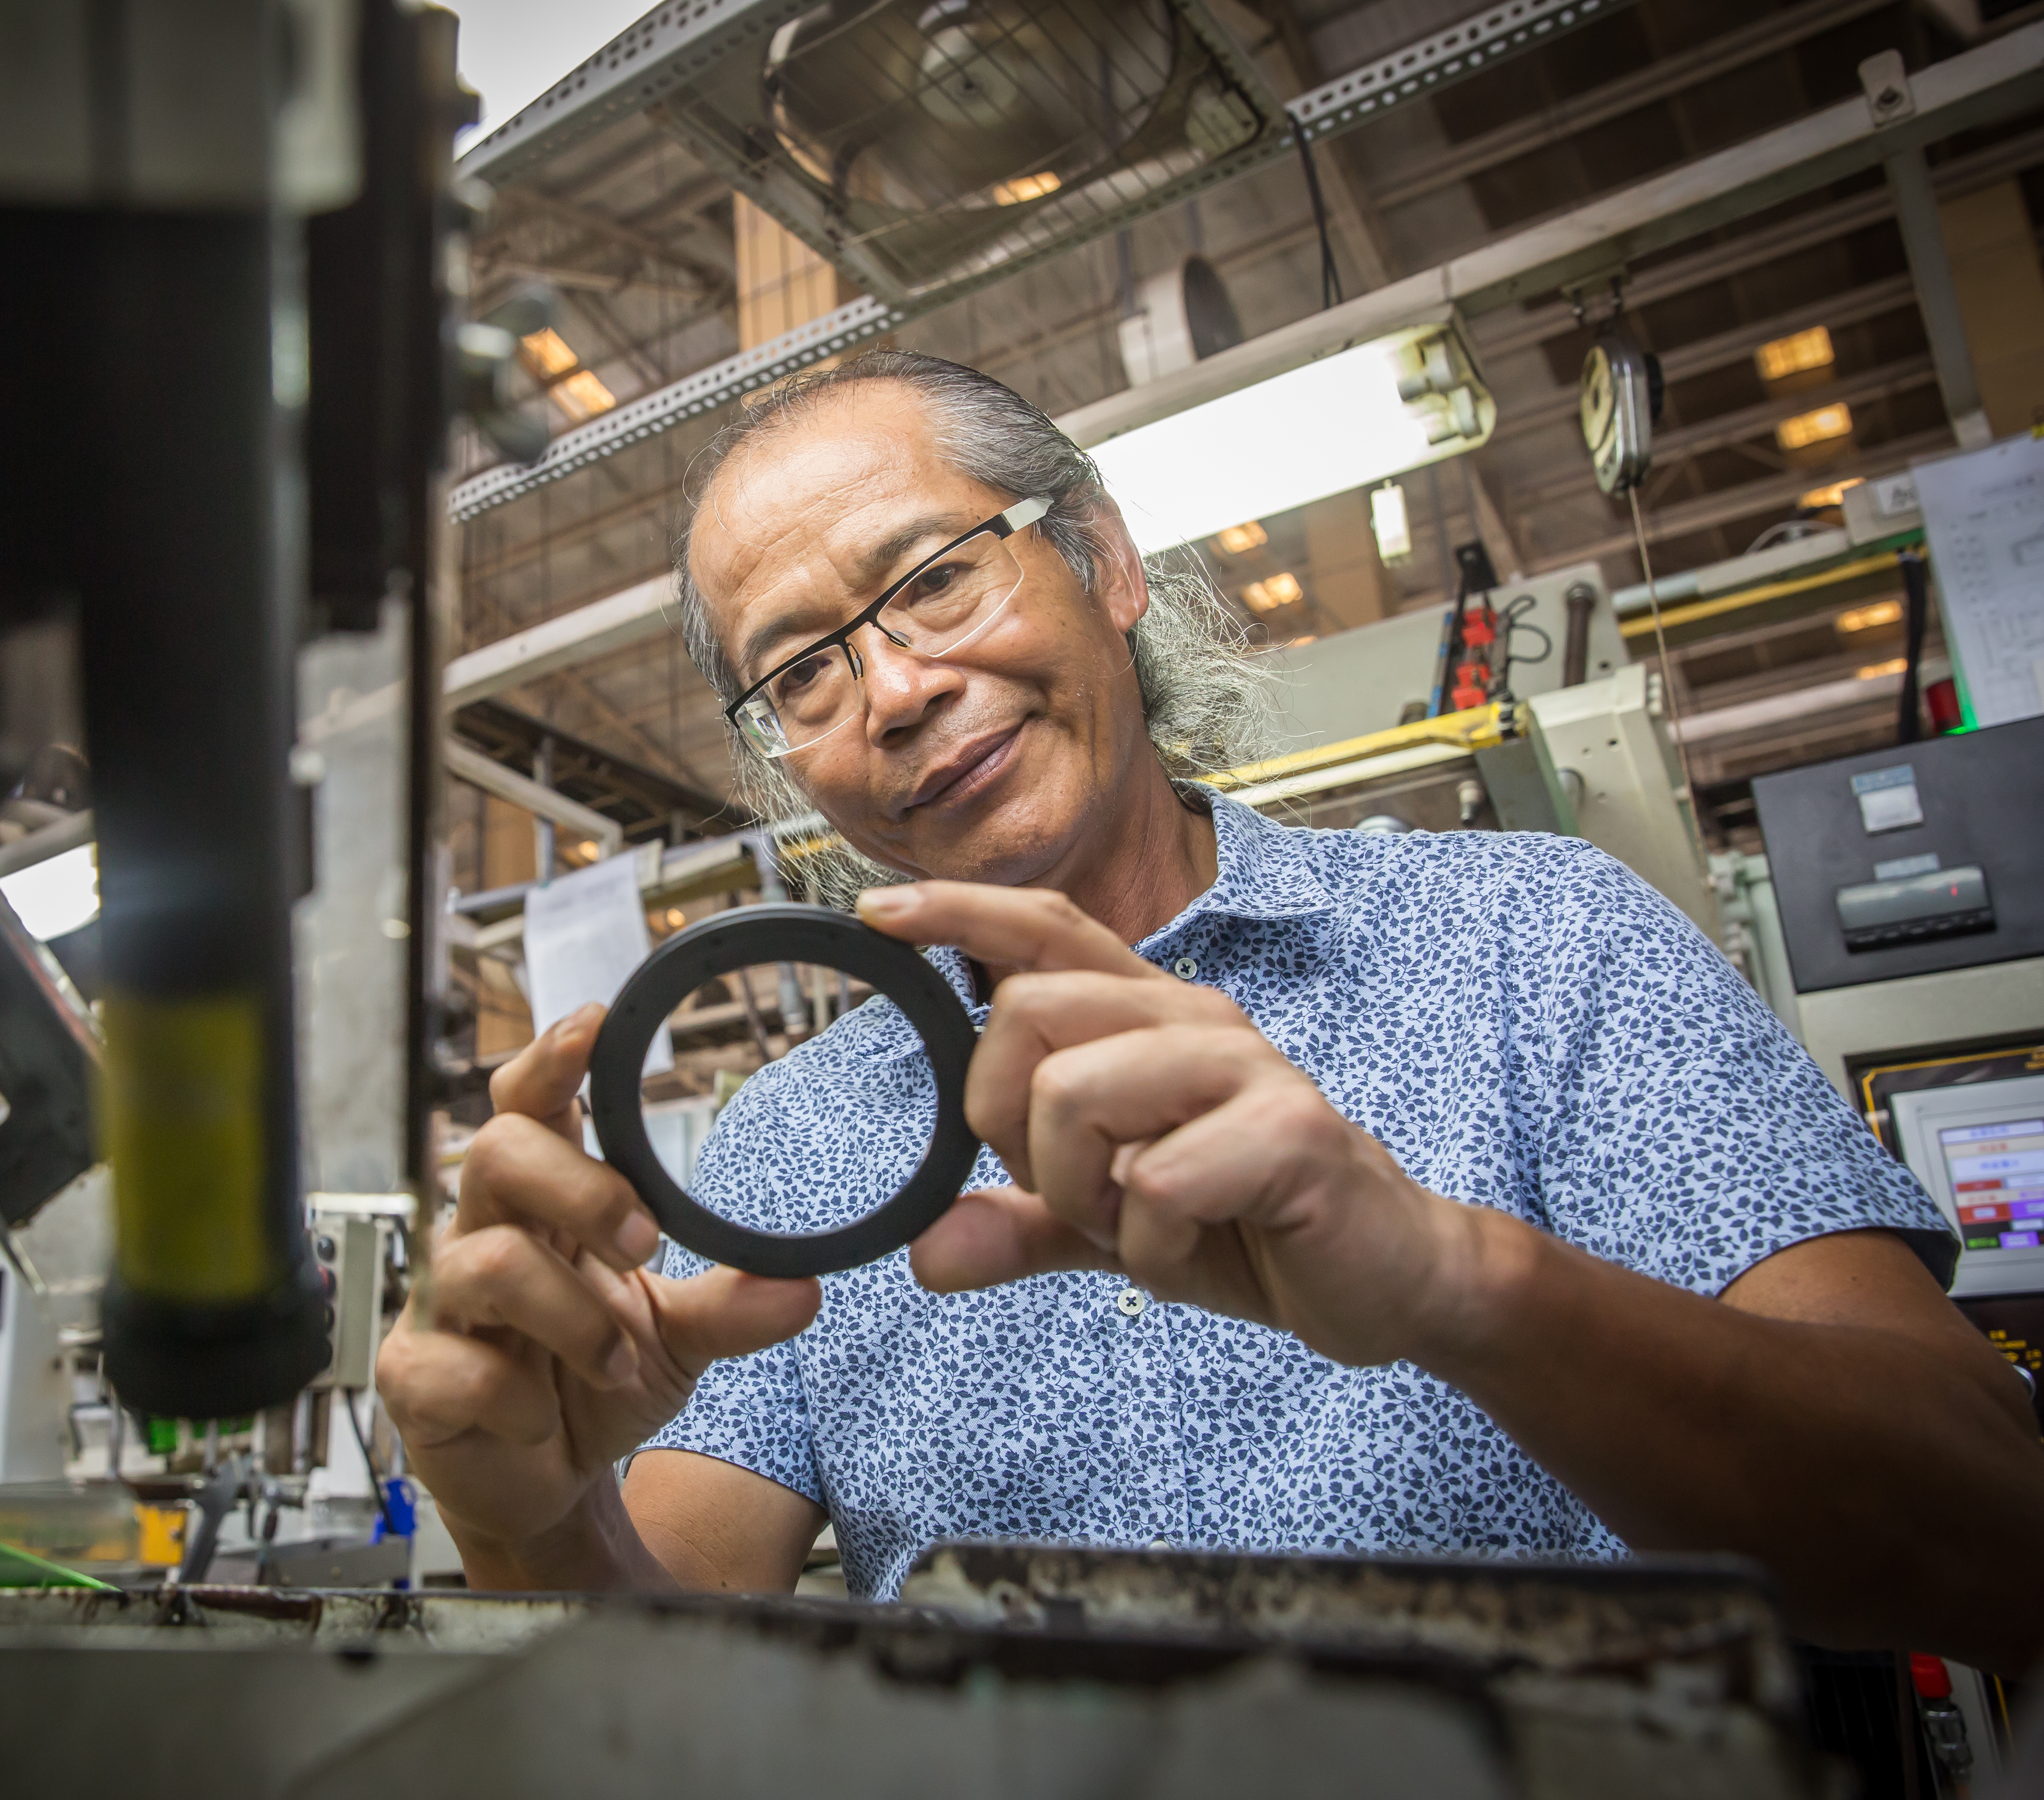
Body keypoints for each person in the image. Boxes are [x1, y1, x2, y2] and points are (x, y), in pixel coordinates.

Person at [376, 351, 2044, 1669]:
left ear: (1101, 560)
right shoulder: (794, 1147)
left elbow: (1997, 1538)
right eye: (801, 668)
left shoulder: (1535, 940)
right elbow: (675, 1701)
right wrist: (537, 1525)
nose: (890, 693)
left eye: (937, 579)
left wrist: (1460, 1285)